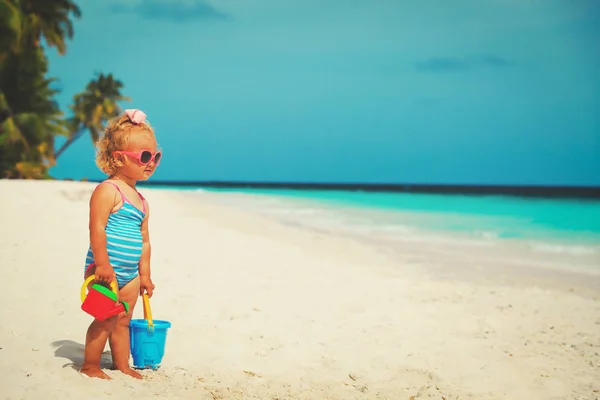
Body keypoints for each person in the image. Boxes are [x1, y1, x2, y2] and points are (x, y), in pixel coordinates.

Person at [80, 109, 161, 379]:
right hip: (105, 270)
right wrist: (102, 263)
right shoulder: (108, 190)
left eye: (155, 156)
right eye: (145, 156)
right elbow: (97, 228)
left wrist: (145, 275)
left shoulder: (141, 201)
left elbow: (145, 241)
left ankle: (121, 364)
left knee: (123, 320)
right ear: (117, 158)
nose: (151, 162)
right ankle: (90, 365)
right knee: (105, 317)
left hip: (129, 275)